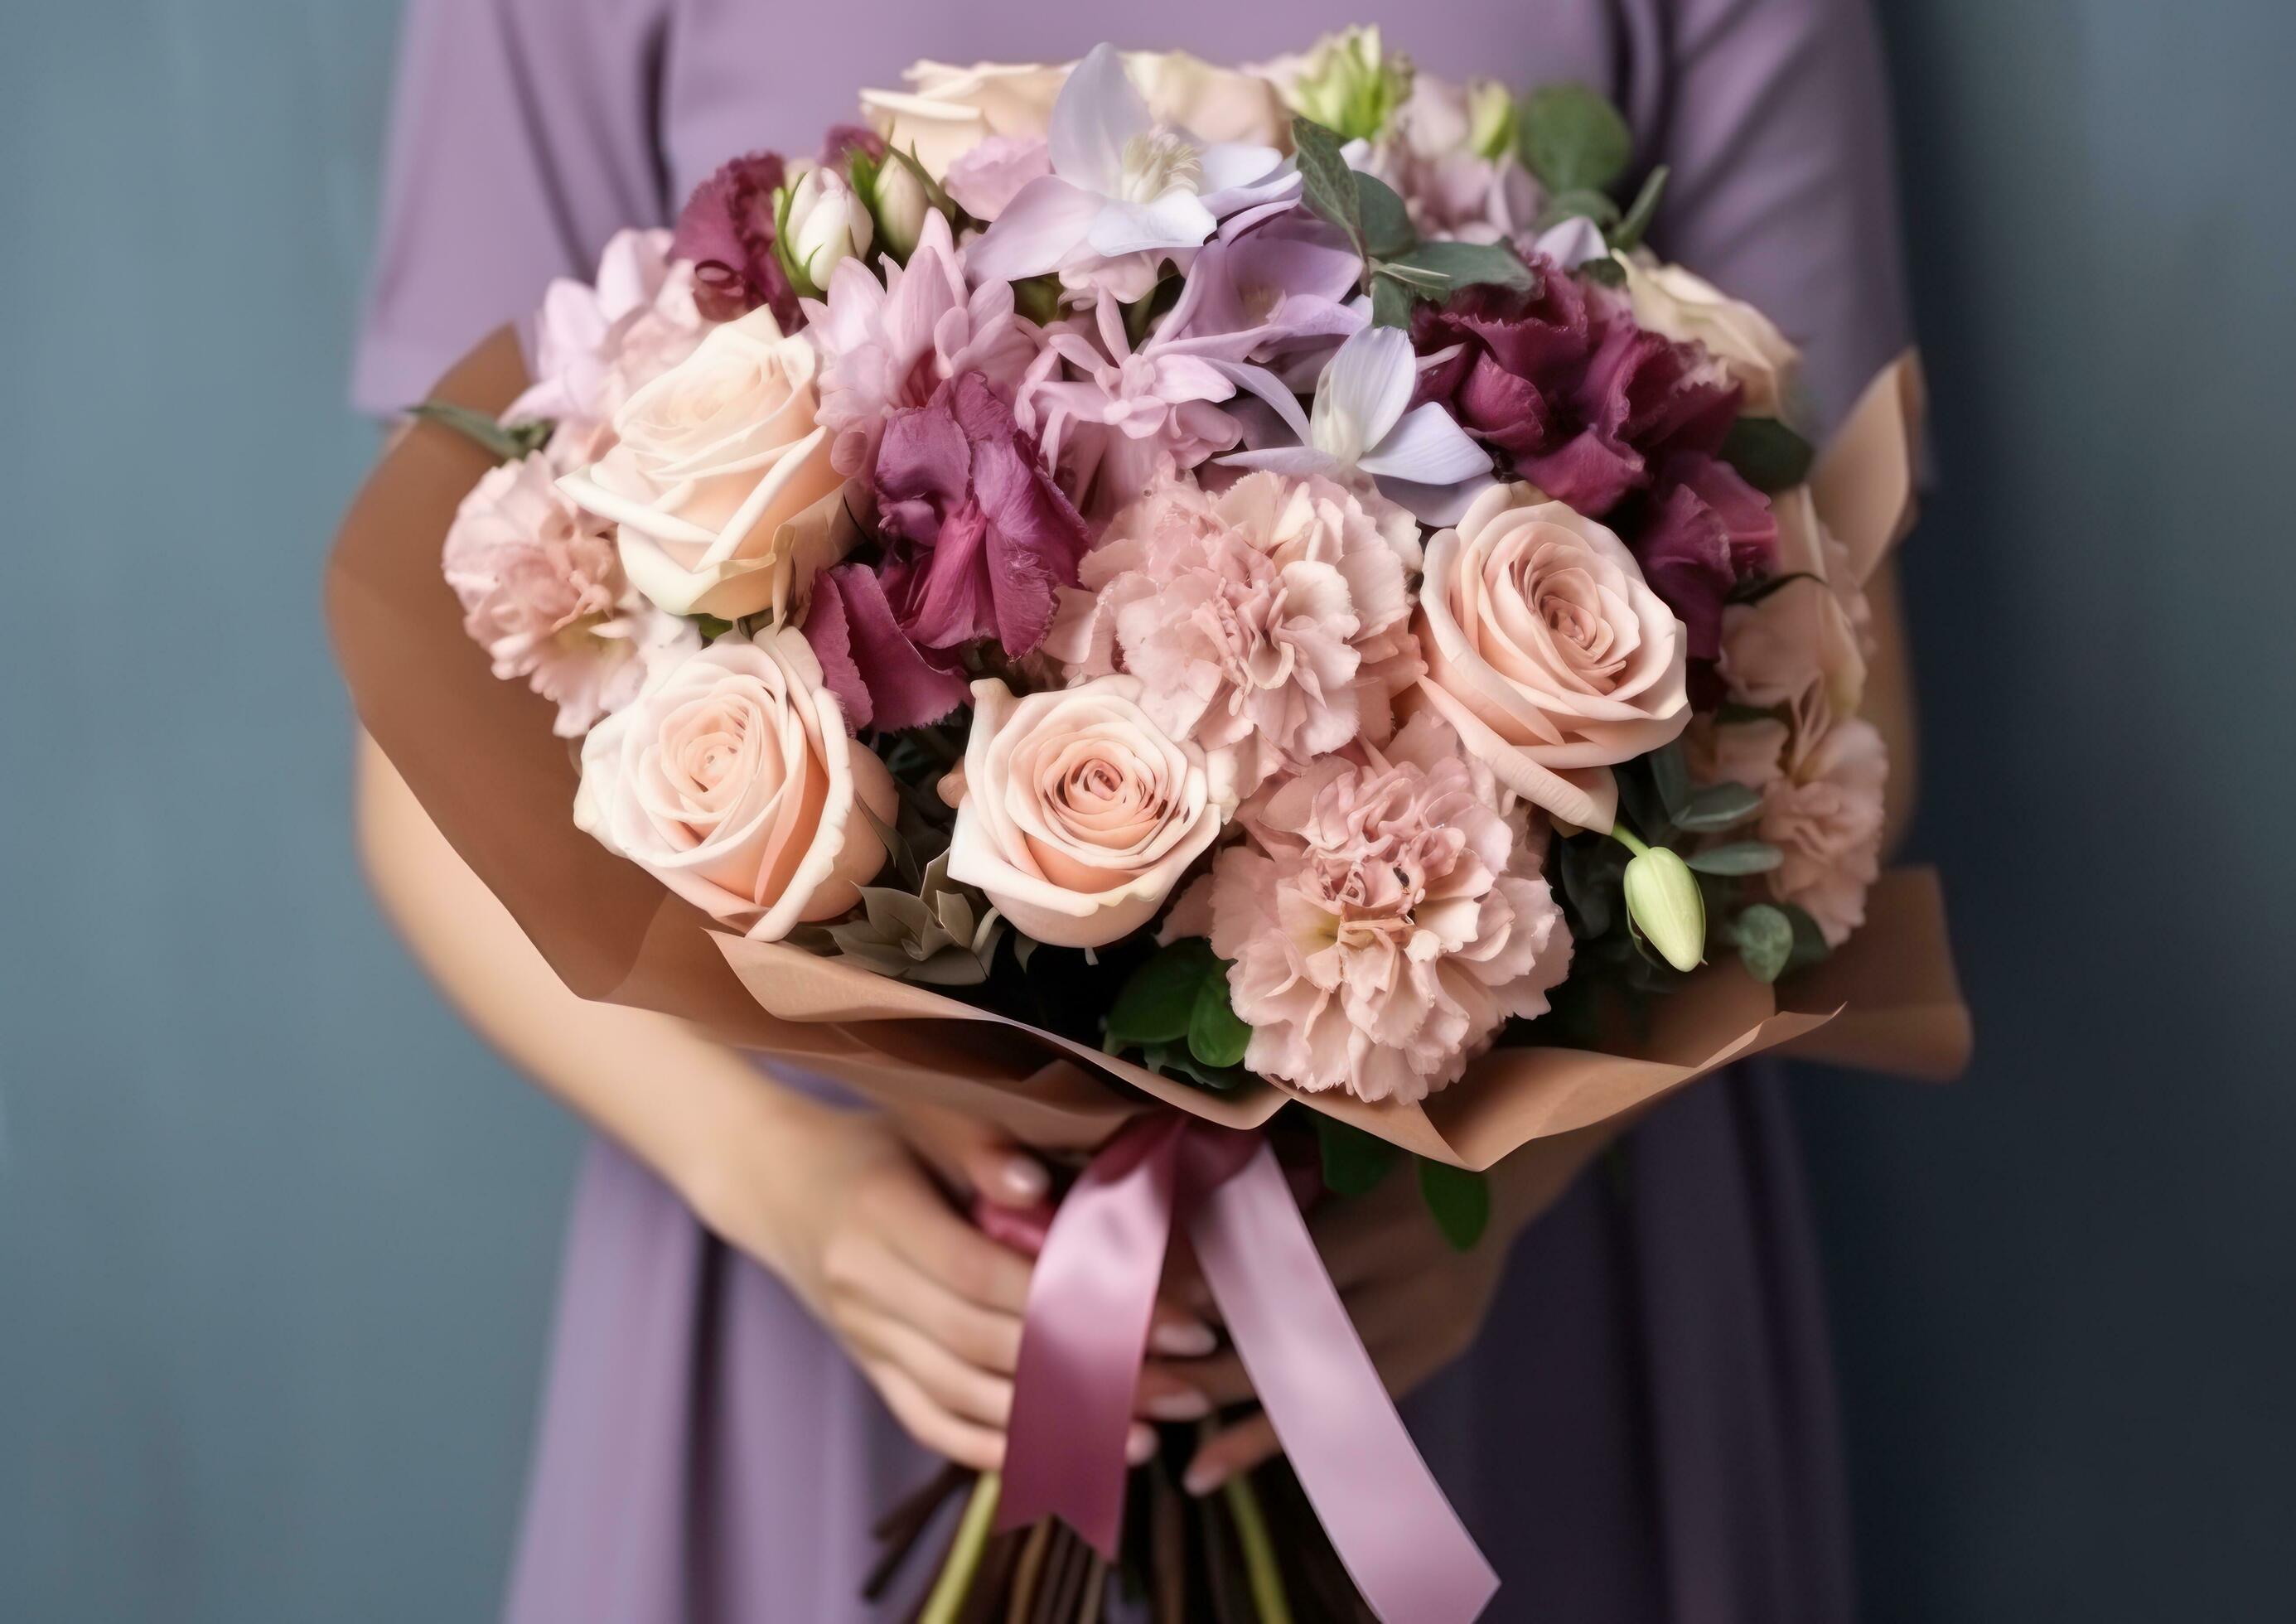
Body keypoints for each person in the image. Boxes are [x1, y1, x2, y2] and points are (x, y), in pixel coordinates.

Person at [353, 2, 1920, 1617]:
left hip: (1507, 1274)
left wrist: (1499, 1187)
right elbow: (435, 746)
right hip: (850, 1287)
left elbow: (1832, 684)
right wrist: (787, 1186)